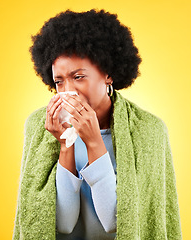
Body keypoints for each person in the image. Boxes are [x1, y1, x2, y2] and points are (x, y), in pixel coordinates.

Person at [13, 9, 182, 240]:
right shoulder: (40, 127)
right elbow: (61, 224)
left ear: (108, 74)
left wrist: (94, 142)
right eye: (59, 82)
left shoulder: (148, 131)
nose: (68, 91)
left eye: (78, 77)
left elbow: (117, 223)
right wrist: (65, 145)